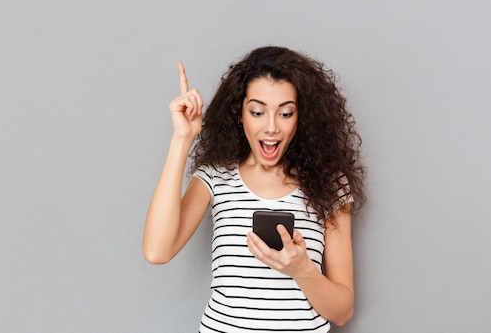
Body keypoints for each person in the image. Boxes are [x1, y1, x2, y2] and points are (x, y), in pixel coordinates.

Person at [142, 46, 367, 333]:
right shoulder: (215, 178)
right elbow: (156, 251)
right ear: (239, 113)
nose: (271, 127)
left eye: (285, 113)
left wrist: (302, 270)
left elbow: (342, 311)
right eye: (258, 112)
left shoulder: (329, 185)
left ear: (301, 118)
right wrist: (182, 139)